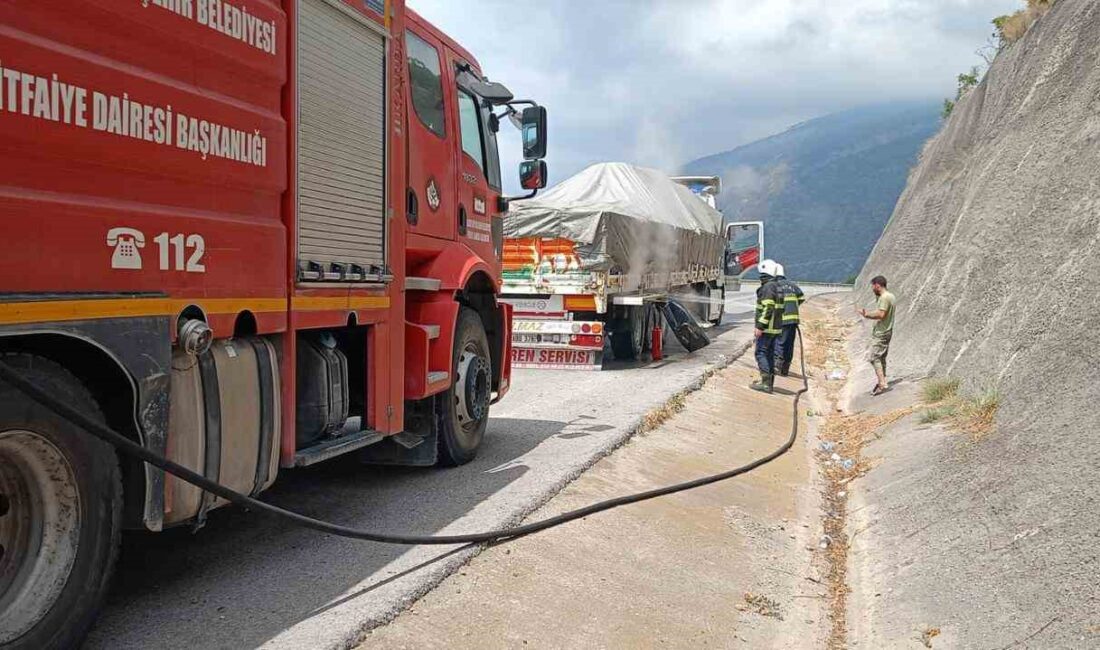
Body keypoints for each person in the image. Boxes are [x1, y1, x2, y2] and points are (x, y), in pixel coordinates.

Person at [750, 259, 785, 394]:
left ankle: (765, 384)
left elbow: (768, 308)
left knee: (760, 353)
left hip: (767, 328)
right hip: (775, 327)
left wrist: (760, 326)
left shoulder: (768, 287)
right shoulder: (776, 286)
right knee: (769, 354)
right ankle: (768, 382)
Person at [858, 275, 896, 396]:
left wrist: (866, 315)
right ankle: (882, 382)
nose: (872, 289)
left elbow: (881, 314)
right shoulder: (890, 296)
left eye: (873, 286)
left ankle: (882, 383)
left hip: (881, 332)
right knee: (881, 358)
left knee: (874, 357)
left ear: (877, 285)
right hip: (888, 331)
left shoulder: (884, 298)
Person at [772, 264, 805, 377]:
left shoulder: (775, 286)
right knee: (789, 344)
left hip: (782, 319)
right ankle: (785, 368)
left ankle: (777, 365)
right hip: (793, 319)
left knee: (779, 342)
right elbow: (801, 298)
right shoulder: (792, 285)